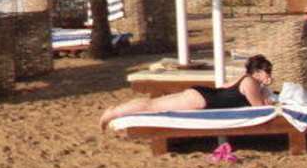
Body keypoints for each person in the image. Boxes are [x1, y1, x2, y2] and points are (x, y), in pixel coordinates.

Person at [100, 55, 274, 130]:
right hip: (202, 100)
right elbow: (259, 108)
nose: (270, 76)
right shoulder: (250, 82)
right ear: (258, 72)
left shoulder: (244, 78)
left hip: (202, 96)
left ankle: (115, 111)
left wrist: (264, 89)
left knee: (152, 104)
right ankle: (113, 113)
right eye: (268, 72)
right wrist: (268, 96)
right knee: (152, 106)